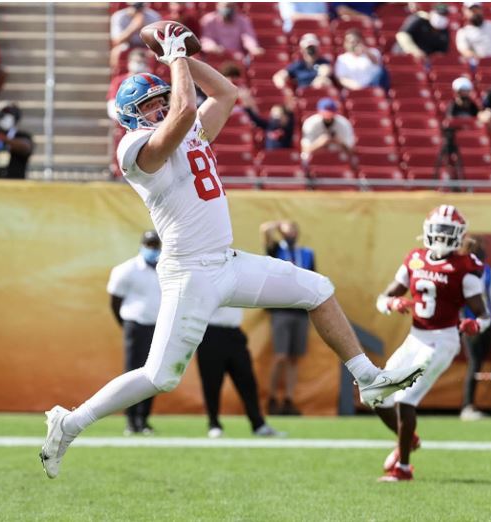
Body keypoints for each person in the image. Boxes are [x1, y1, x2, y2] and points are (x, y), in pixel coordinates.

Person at [40, 23, 424, 479]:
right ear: (129, 116)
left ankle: (367, 379)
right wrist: (175, 56)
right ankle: (70, 422)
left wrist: (177, 57)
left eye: (161, 98)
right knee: (160, 377)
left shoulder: (184, 128)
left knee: (318, 290)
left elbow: (225, 94)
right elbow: (183, 111)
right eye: (148, 105)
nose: (160, 107)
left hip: (226, 261)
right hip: (189, 273)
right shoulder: (135, 148)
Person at [374, 205, 490, 482]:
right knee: (376, 392)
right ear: (427, 230)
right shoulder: (414, 259)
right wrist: (392, 302)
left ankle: (402, 468)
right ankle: (408, 438)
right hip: (416, 337)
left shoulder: (464, 267)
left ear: (458, 235)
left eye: (447, 231)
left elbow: (484, 315)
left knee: (405, 398)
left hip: (443, 340)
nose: (441, 235)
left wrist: (475, 324)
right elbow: (383, 298)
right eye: (438, 229)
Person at [107, 231, 162, 435]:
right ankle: (131, 421)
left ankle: (144, 419)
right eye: (149, 244)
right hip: (135, 324)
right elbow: (115, 301)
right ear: (141, 245)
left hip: (158, 327)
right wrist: (125, 324)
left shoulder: (166, 269)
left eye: (155, 244)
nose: (152, 248)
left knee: (154, 374)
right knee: (132, 373)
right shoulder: (127, 269)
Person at [197, 306, 282, 437]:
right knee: (211, 382)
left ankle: (258, 425)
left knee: (247, 381)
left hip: (234, 332)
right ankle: (214, 423)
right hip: (210, 332)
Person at [260, 220, 316, 416]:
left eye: (293, 229)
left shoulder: (307, 253)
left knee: (294, 359)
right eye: (288, 230)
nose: (291, 233)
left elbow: (313, 279)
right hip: (281, 310)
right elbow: (265, 231)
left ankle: (289, 399)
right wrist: (277, 225)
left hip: (300, 310)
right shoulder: (277, 250)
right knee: (280, 356)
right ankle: (272, 398)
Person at [460, 235, 491, 421]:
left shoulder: (486, 269)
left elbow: (488, 297)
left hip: (486, 323)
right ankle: (467, 406)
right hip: (471, 324)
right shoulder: (463, 270)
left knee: (479, 364)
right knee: (474, 364)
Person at [109, 2, 161, 71]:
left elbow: (157, 41)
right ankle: (118, 75)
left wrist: (143, 27)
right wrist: (134, 27)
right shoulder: (119, 16)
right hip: (128, 45)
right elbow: (117, 41)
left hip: (147, 46)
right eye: (135, 6)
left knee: (157, 52)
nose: (138, 10)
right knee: (117, 51)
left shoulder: (153, 16)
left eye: (140, 7)